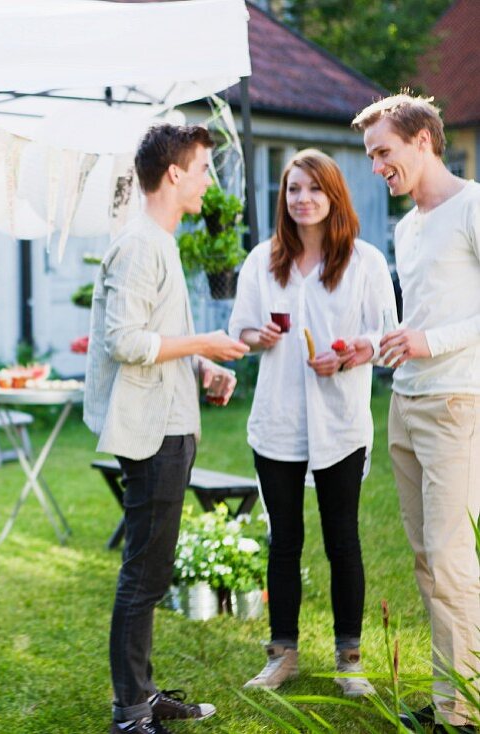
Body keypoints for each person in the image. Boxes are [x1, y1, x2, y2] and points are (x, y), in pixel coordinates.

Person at [83, 124, 250, 734]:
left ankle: (143, 695)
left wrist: (201, 363)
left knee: (150, 572)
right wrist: (204, 340)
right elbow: (123, 341)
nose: (209, 181)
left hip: (172, 423)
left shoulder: (159, 241)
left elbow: (153, 335)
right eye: (203, 168)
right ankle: (130, 713)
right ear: (174, 174)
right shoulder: (139, 244)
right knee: (143, 575)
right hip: (152, 431)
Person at [228, 149, 395, 697]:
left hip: (339, 423)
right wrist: (261, 337)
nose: (302, 199)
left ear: (333, 196)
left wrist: (349, 355)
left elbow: (386, 337)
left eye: (313, 189)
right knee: (284, 541)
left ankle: (350, 659)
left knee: (342, 540)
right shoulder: (263, 260)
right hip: (277, 422)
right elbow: (242, 333)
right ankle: (283, 655)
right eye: (293, 189)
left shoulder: (364, 262)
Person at [353, 93, 480, 732]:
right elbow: (420, 320)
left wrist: (432, 343)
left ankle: (465, 713)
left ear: (423, 140)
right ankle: (451, 691)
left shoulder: (474, 206)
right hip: (405, 402)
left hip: (458, 402)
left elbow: (455, 326)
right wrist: (375, 345)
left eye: (384, 152)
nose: (377, 166)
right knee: (427, 560)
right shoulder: (407, 227)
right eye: (372, 155)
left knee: (454, 558)